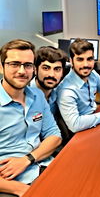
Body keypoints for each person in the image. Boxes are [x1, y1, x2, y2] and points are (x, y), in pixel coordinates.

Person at [0, 39, 62, 197]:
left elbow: (54, 136)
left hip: (42, 166)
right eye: (14, 64)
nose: (22, 71)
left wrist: (28, 159)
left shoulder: (37, 96)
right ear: (1, 67)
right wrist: (20, 190)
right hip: (10, 183)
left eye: (27, 65)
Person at [57, 38, 100, 133]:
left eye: (89, 59)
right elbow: (75, 125)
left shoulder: (92, 74)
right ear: (71, 61)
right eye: (80, 59)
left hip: (95, 118)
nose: (86, 64)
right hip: (80, 131)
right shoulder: (66, 90)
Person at [30, 46, 68, 115]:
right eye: (46, 68)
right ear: (35, 69)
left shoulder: (59, 94)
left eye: (57, 69)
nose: (51, 75)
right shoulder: (23, 95)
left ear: (62, 73)